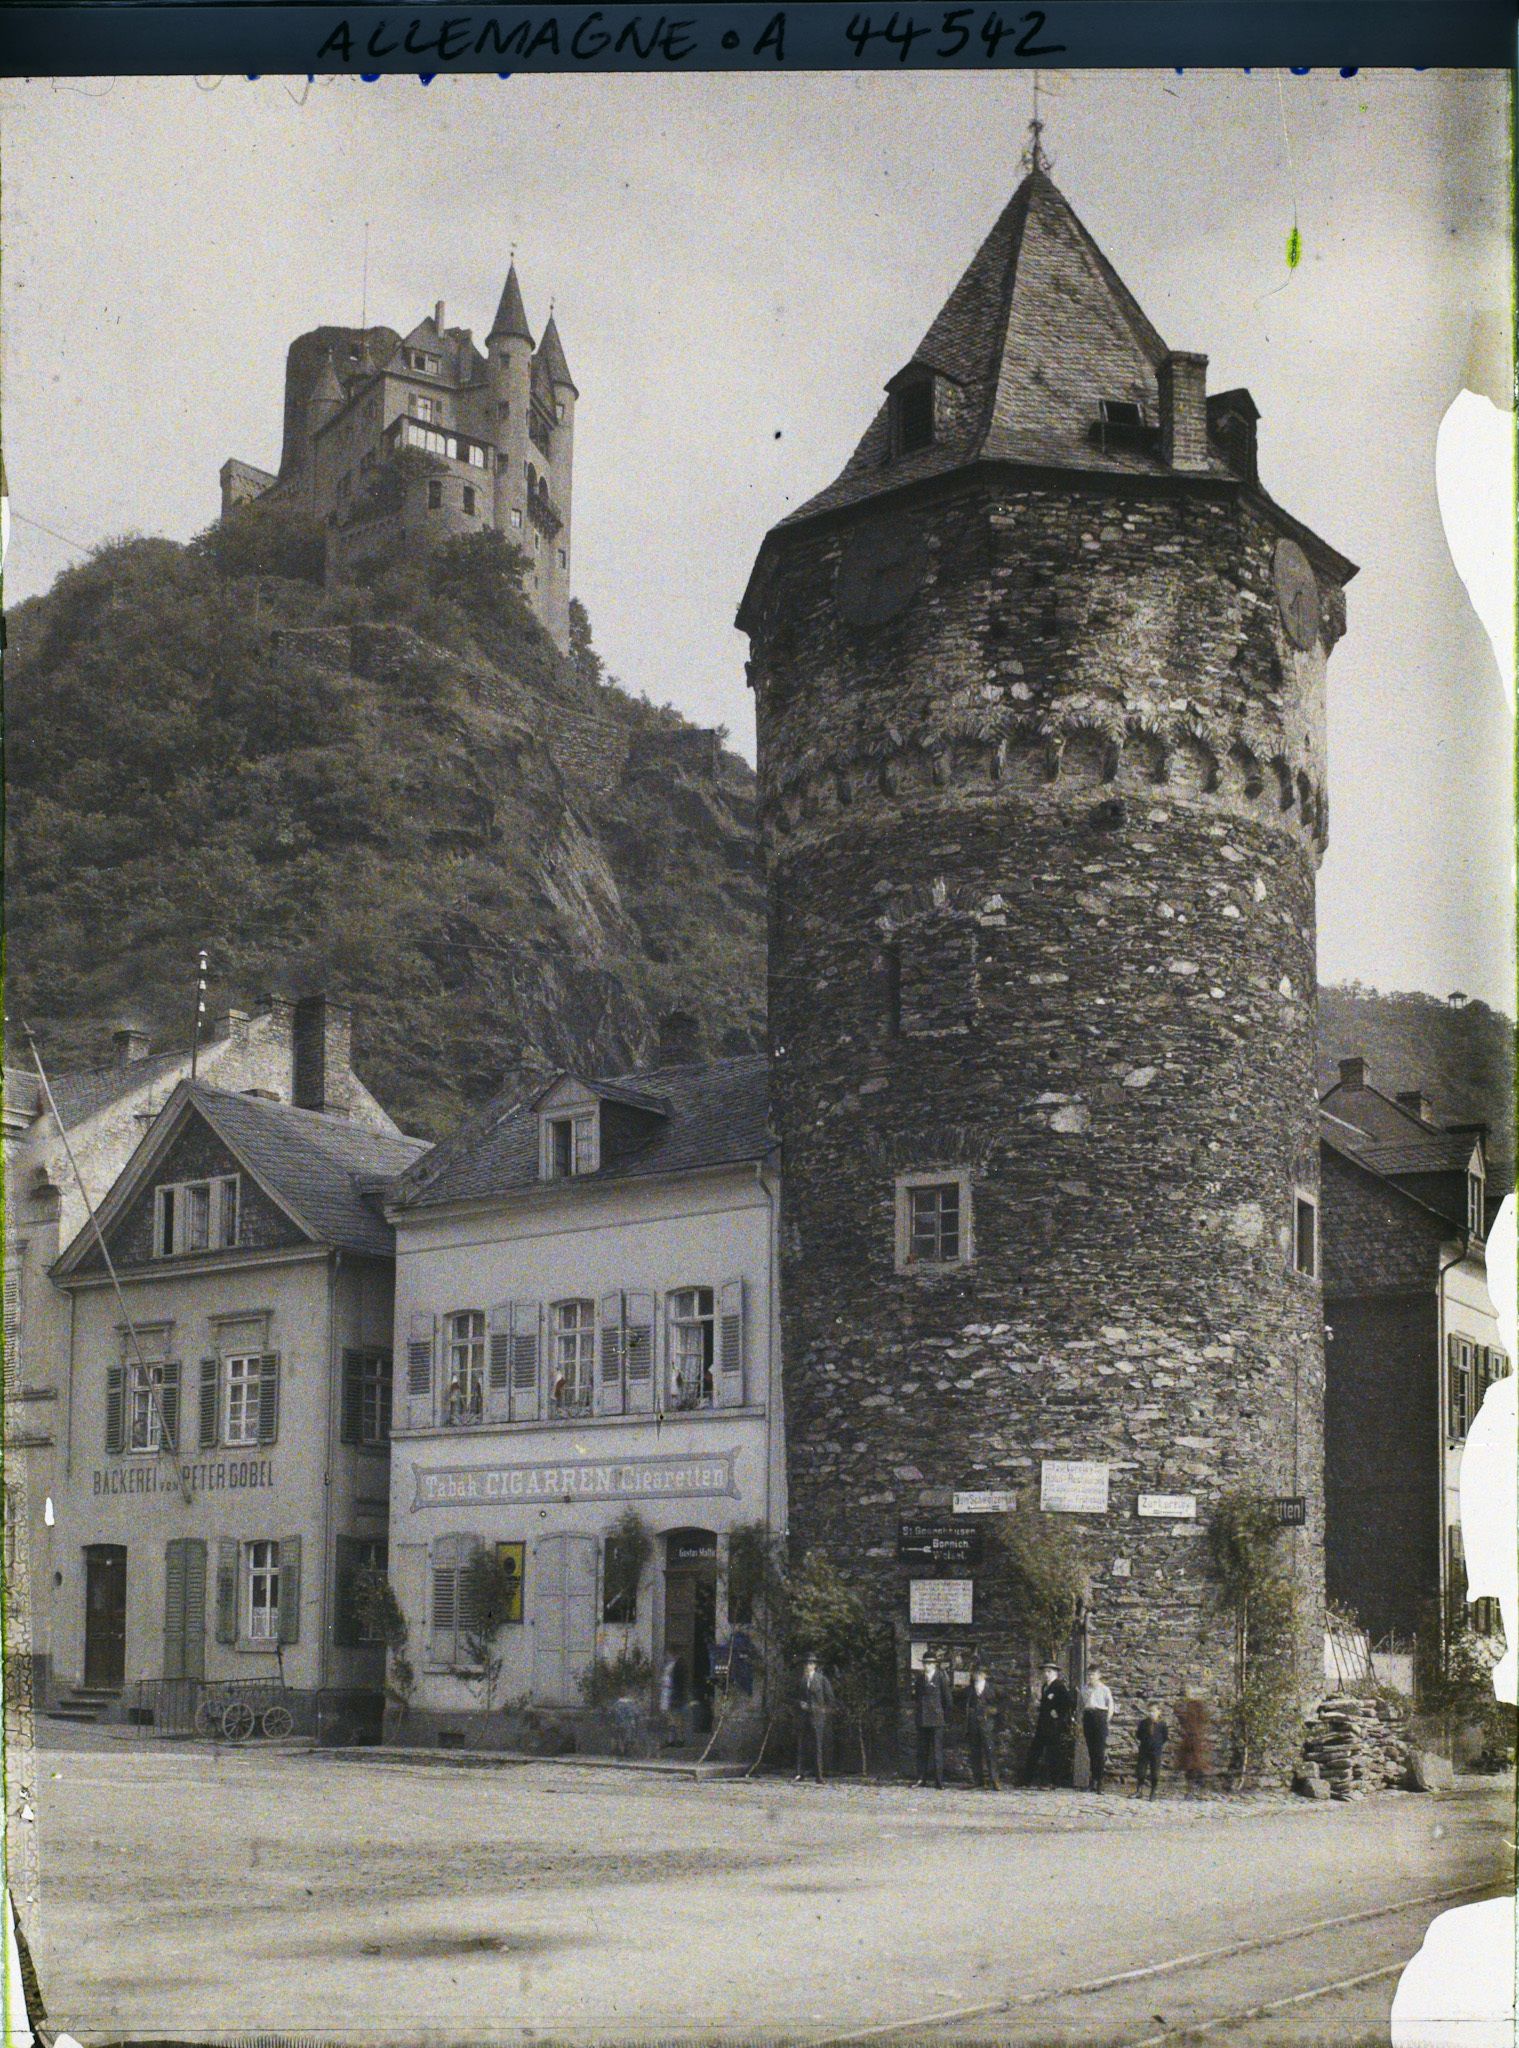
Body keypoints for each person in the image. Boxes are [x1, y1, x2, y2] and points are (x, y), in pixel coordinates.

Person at [1021, 1664, 1075, 1786]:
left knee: (1053, 1752)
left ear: (1055, 1673)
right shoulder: (1046, 1686)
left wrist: (1058, 1712)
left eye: (1049, 1672)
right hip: (1043, 1724)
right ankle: (1026, 1780)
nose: (1046, 1674)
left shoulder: (1059, 1686)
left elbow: (1069, 1702)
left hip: (1053, 1725)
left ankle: (1054, 1782)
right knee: (1035, 1750)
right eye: (1045, 1672)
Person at [912, 1650, 953, 1788]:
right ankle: (921, 1779)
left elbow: (948, 1700)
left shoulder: (941, 1677)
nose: (926, 1666)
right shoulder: (919, 1678)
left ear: (935, 1664)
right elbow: (917, 1698)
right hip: (922, 1718)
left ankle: (939, 1781)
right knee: (922, 1750)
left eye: (929, 1663)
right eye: (925, 1663)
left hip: (937, 1719)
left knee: (937, 1751)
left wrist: (944, 1718)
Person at [793, 1653, 835, 1782]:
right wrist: (799, 1703)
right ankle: (800, 1773)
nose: (808, 1666)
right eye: (806, 1664)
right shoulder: (801, 1680)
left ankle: (819, 1775)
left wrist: (822, 1711)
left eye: (811, 1664)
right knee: (802, 1744)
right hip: (803, 1716)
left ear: (815, 1666)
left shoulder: (822, 1680)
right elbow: (793, 1697)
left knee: (817, 1746)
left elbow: (830, 1699)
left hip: (817, 1717)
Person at [964, 1663, 1001, 1790]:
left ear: (985, 1675)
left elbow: (1003, 1703)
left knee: (990, 1751)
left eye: (980, 1673)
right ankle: (978, 1779)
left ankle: (994, 1780)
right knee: (975, 1751)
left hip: (987, 1724)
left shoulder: (993, 1688)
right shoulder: (969, 1690)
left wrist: (994, 1711)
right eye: (975, 1673)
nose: (978, 1675)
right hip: (973, 1723)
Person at [1080, 1668, 1114, 1793]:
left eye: (1093, 1674)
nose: (1090, 1677)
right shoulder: (1084, 1688)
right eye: (1088, 1674)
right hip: (1088, 1717)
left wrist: (1105, 1720)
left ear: (1099, 1675)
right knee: (1091, 1751)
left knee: (1099, 1752)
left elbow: (1110, 1706)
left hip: (1100, 1716)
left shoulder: (1104, 1689)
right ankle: (1093, 1781)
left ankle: (1100, 1782)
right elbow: (1082, 1705)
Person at [1176, 1697, 1211, 1797]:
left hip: (1195, 1745)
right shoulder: (1191, 1721)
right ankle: (1192, 1790)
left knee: (1195, 1767)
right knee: (1191, 1767)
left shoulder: (1199, 1721)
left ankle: (1195, 1790)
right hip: (1191, 1745)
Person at [1134, 1702, 1169, 1798]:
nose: (1151, 1713)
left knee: (1155, 1772)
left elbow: (1165, 1737)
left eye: (1153, 1711)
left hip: (1156, 1751)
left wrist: (1157, 1744)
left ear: (1159, 1712)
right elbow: (1138, 1735)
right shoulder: (1143, 1723)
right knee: (1141, 1771)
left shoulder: (1162, 1724)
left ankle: (1153, 1792)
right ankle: (1139, 1790)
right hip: (1144, 1749)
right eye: (1149, 1711)